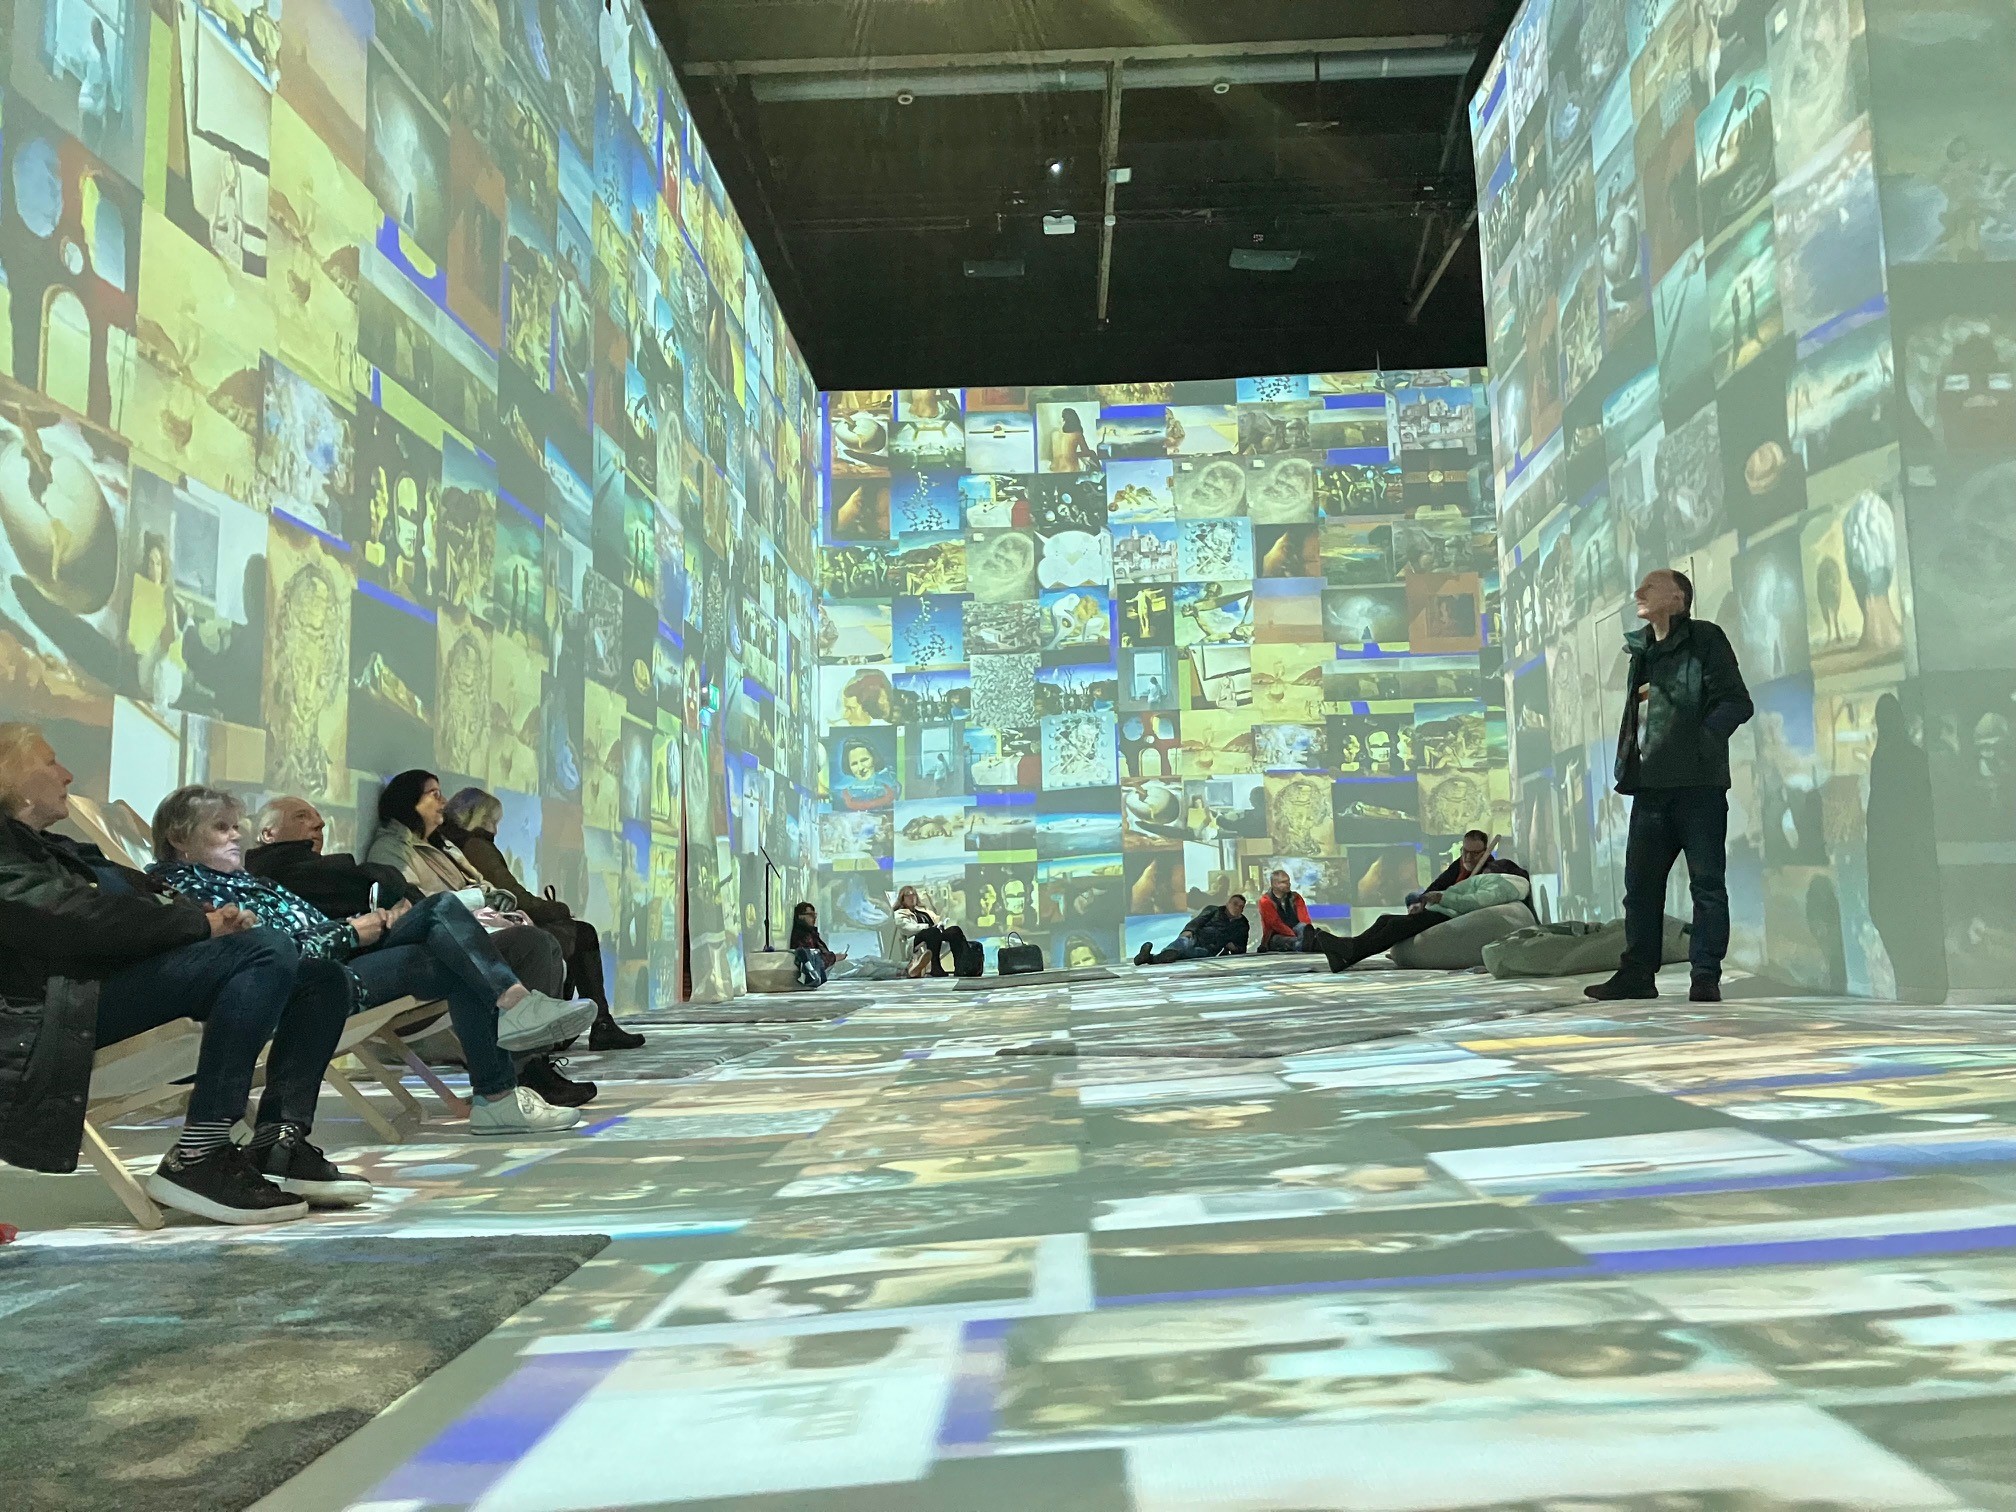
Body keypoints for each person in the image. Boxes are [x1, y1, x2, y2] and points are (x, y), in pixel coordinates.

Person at [0, 723, 365, 1225]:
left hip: (101, 990)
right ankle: (199, 1154)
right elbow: (67, 917)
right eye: (49, 762)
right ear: (9, 776)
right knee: (264, 951)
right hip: (54, 1014)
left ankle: (278, 1140)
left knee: (321, 979)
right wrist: (198, 924)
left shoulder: (57, 848)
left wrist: (207, 919)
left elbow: (137, 899)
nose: (66, 774)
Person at [150, 784, 595, 1132]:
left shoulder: (249, 881)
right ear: (179, 837)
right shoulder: (186, 892)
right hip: (316, 984)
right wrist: (350, 931)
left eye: (235, 826)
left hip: (346, 954)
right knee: (449, 935)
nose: (235, 835)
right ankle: (500, 1080)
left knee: (446, 925)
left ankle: (506, 1057)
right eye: (221, 828)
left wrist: (367, 923)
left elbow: (305, 929)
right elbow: (269, 955)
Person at [364, 770, 589, 1103]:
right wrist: (477, 900)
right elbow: (412, 906)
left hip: (469, 934)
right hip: (440, 944)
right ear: (409, 802)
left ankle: (531, 1060)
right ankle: (524, 1060)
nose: (443, 801)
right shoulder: (393, 849)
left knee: (543, 942)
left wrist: (496, 900)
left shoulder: (443, 847)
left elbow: (484, 887)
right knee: (536, 943)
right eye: (433, 794)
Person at [1587, 569, 1754, 1003]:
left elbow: (1736, 701)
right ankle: (1637, 975)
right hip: (1650, 791)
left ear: (1678, 598)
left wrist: (1698, 744)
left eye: (1650, 586)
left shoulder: (1705, 639)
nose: (1638, 592)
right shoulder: (1641, 649)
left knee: (1707, 885)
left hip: (1698, 788)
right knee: (1640, 889)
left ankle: (1705, 977)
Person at [439, 787, 644, 1050]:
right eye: (493, 821)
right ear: (478, 818)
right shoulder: (477, 846)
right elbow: (513, 895)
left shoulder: (455, 844)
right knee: (582, 934)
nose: (496, 829)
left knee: (575, 935)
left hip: (485, 926)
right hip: (495, 929)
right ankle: (591, 1025)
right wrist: (558, 909)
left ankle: (585, 1024)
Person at [1412, 830, 1529, 904]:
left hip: (1453, 908)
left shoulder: (1492, 869)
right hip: (1442, 900)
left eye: (1475, 853)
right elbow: (1439, 884)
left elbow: (1520, 877)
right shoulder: (1460, 863)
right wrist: (1421, 901)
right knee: (1412, 898)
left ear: (1484, 853)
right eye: (1465, 851)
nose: (1468, 857)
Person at [1134, 894, 1249, 965]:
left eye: (1241, 907)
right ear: (1228, 903)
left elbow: (1241, 948)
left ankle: (1149, 958)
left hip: (1209, 948)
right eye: (1235, 904)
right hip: (1195, 937)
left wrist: (1233, 947)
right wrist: (1188, 931)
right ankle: (1163, 954)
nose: (1237, 908)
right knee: (1182, 943)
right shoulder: (1214, 910)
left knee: (1188, 953)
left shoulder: (1242, 924)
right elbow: (1198, 921)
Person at [893, 886, 970, 977]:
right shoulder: (899, 913)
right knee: (932, 932)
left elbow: (936, 919)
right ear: (902, 899)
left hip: (934, 934)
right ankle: (935, 967)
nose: (912, 897)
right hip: (915, 940)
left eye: (914, 895)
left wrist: (942, 921)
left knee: (954, 931)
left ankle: (961, 967)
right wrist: (927, 927)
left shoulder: (923, 911)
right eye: (908, 895)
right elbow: (908, 929)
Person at [790, 901, 843, 986]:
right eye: (810, 915)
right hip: (823, 970)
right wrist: (834, 957)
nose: (814, 918)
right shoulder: (803, 936)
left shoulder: (811, 933)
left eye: (814, 915)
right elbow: (814, 959)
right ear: (800, 916)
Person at [1256, 870, 1311, 952]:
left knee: (1302, 927)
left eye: (1288, 881)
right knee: (1291, 941)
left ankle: (1306, 943)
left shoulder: (1295, 897)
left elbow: (1304, 918)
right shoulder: (1265, 901)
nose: (1288, 884)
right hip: (1277, 935)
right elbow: (1276, 924)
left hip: (1297, 930)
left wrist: (1307, 931)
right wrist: (1294, 936)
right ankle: (1305, 944)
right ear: (1275, 884)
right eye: (1284, 882)